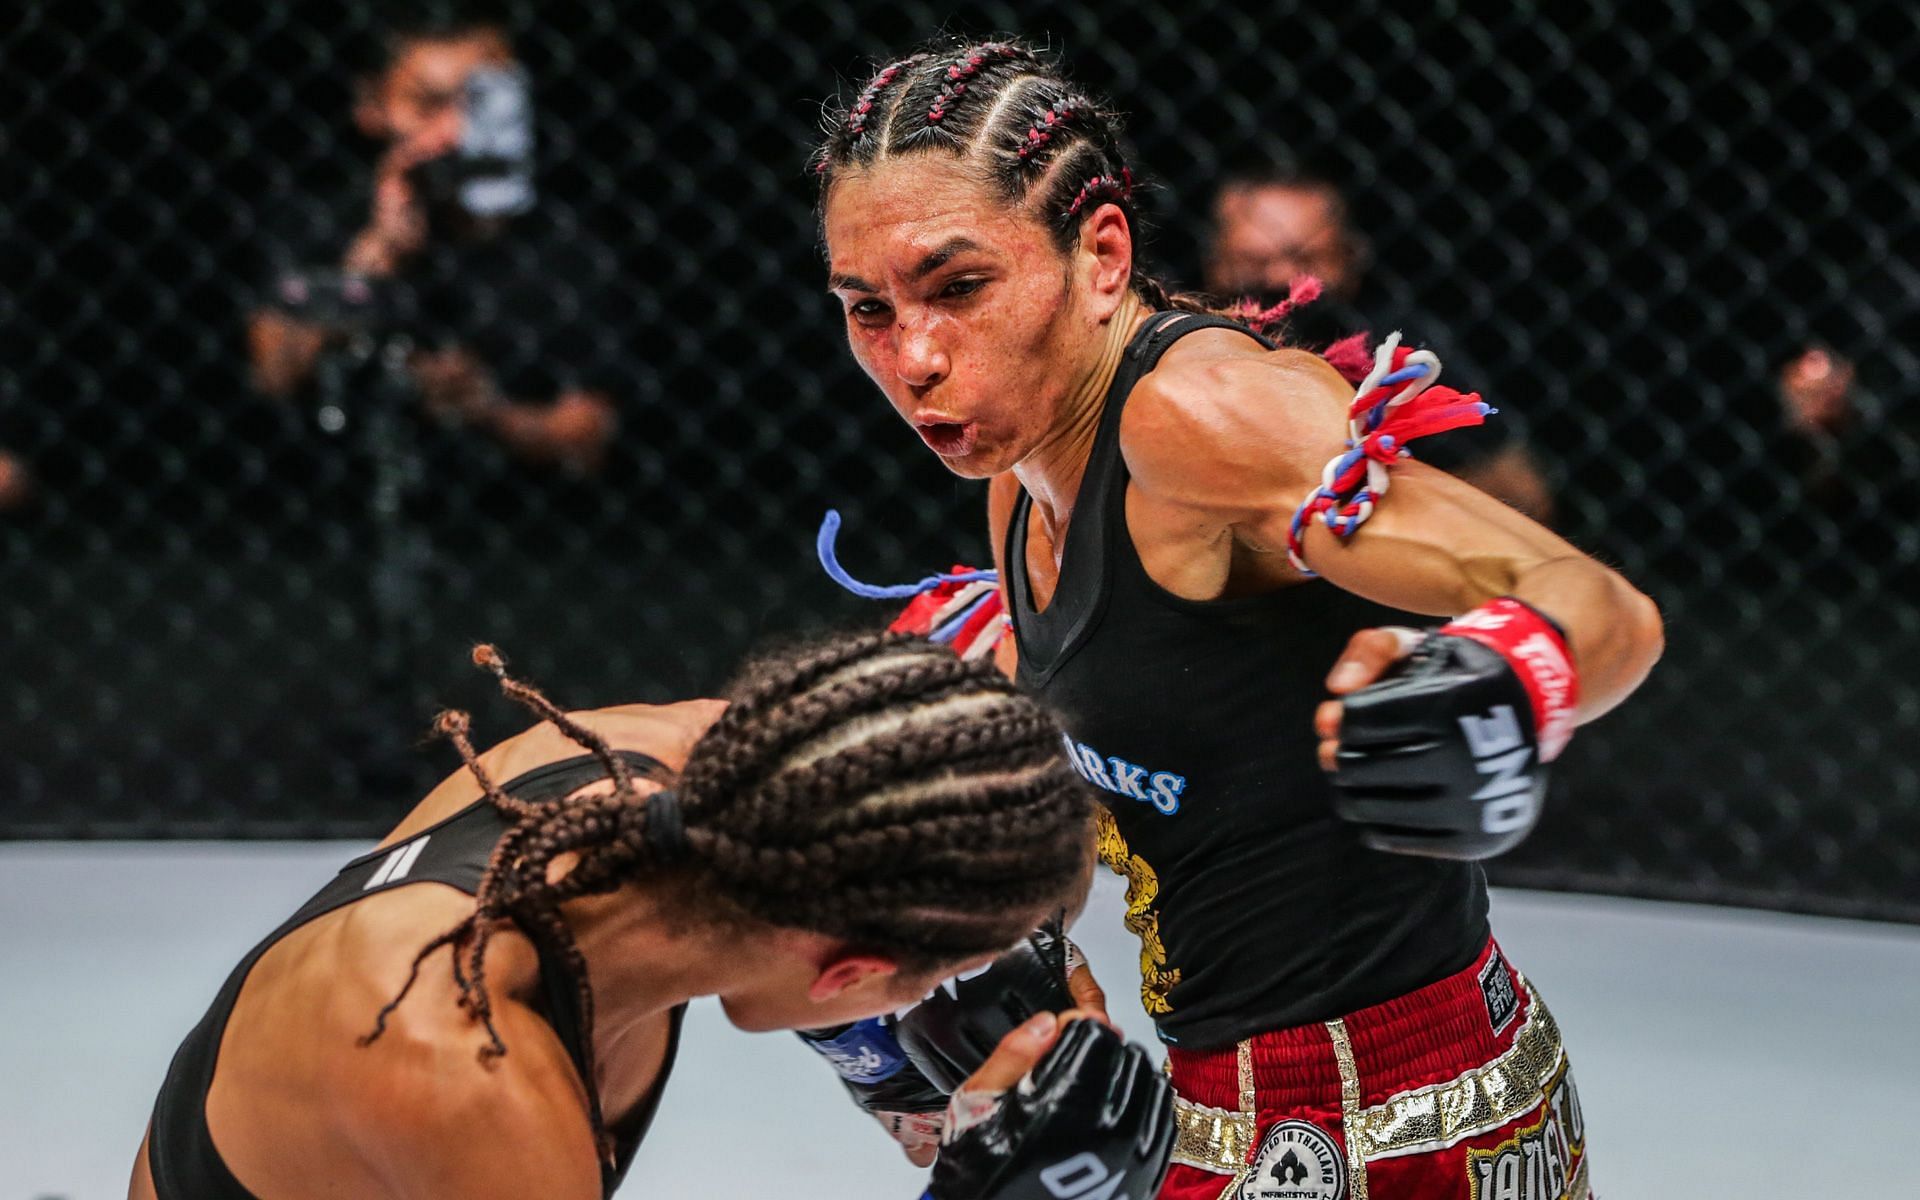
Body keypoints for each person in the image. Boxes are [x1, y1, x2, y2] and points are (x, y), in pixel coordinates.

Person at [811, 38, 1663, 1199]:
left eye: (958, 289)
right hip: (1218, 1113)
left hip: (1411, 1125)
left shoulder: (1196, 419)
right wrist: (994, 962)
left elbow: (1597, 602)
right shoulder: (1024, 481)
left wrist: (1503, 674)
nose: (913, 358)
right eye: (869, 309)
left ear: (1101, 254)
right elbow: (1109, 786)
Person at [129, 632, 1176, 1199]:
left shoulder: (678, 770)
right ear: (846, 971)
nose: (930, 1002)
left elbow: (875, 759)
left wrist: (949, 1011)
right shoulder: (474, 1084)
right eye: (920, 981)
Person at [247, 12, 617, 472]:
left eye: (482, 104)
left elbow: (590, 437)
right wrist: (372, 260)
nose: (457, 132)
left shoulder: (563, 244)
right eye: (429, 105)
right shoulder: (316, 222)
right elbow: (274, 374)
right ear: (372, 106)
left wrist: (488, 412)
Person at [1204, 165, 1554, 522]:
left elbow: (1518, 488)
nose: (1279, 277)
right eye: (1251, 261)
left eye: (1306, 259)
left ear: (1348, 260)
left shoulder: (1398, 346)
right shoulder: (1188, 347)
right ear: (1215, 262)